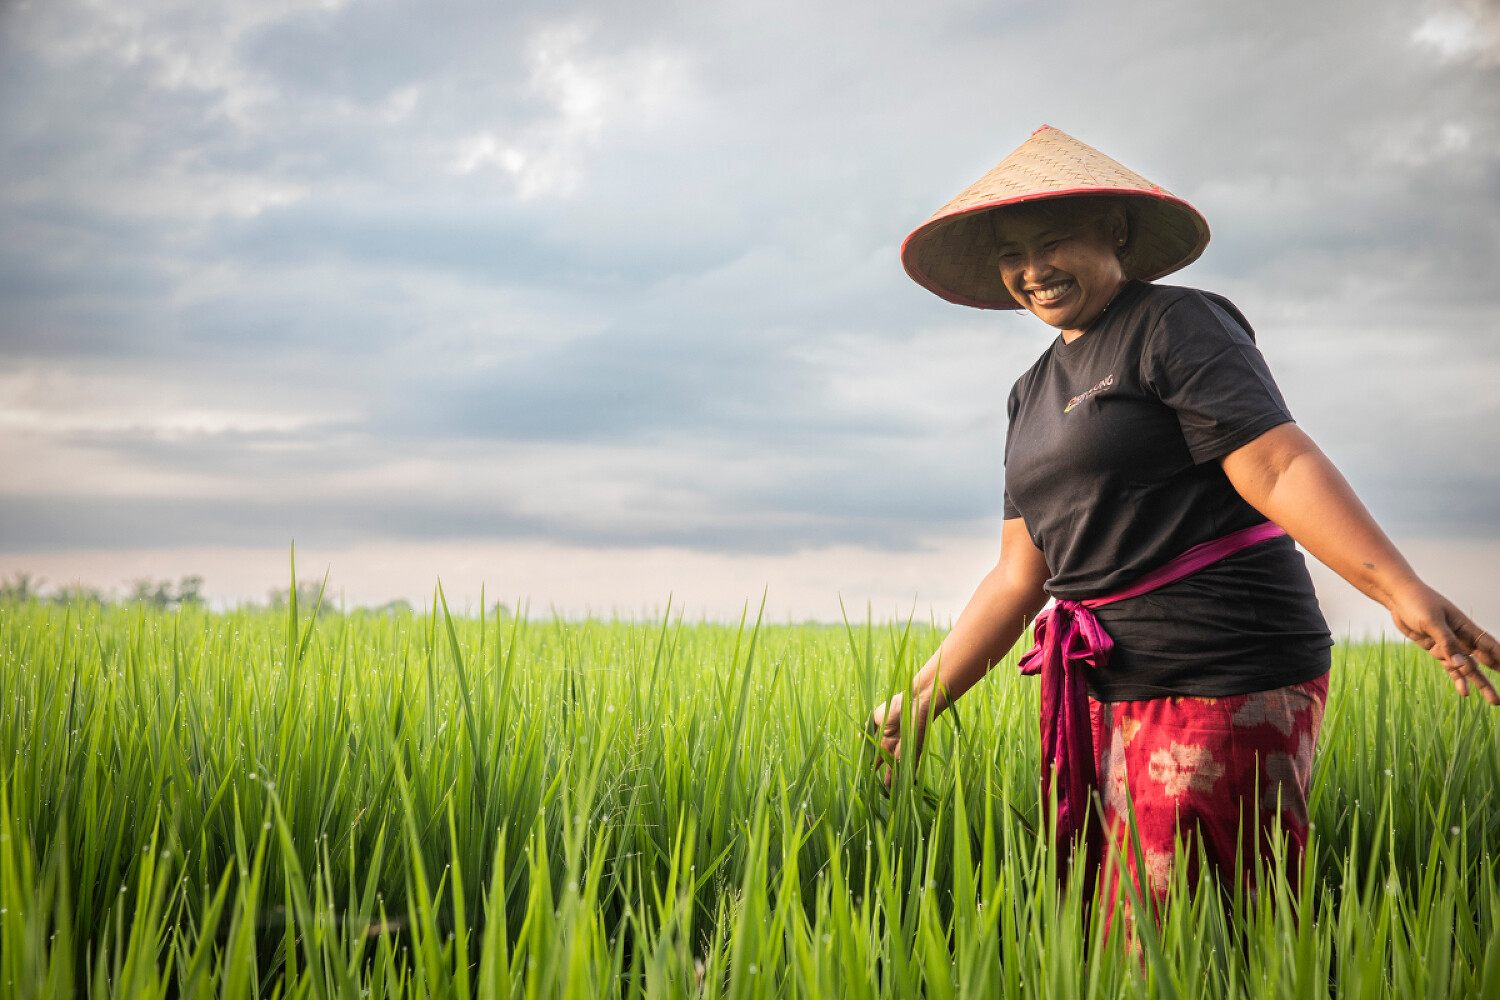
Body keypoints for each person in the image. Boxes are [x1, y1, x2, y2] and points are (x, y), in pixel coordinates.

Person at [872, 125, 1499, 915]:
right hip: (1109, 690)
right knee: (1117, 934)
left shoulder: (1177, 325)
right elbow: (1019, 574)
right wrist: (923, 699)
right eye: (1013, 253)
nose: (1033, 270)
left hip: (1221, 671)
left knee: (1192, 937)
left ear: (1117, 232)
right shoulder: (1030, 393)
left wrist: (1400, 590)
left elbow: (1276, 466)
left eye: (1053, 240)